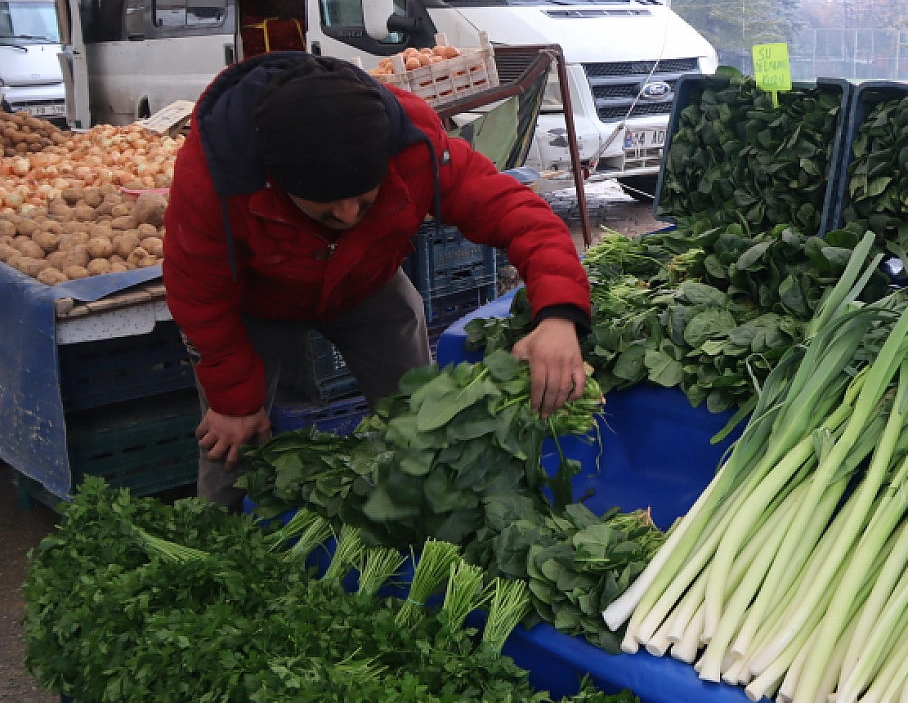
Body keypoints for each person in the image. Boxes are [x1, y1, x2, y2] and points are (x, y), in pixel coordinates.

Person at [164, 53, 590, 508]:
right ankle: (217, 538)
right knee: (231, 440)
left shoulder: (413, 143)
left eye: (363, 203)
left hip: (368, 282)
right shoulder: (216, 177)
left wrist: (559, 315)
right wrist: (234, 402)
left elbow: (515, 212)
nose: (347, 216)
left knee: (421, 417)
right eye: (325, 209)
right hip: (257, 303)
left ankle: (426, 516)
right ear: (277, 181)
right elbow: (199, 295)